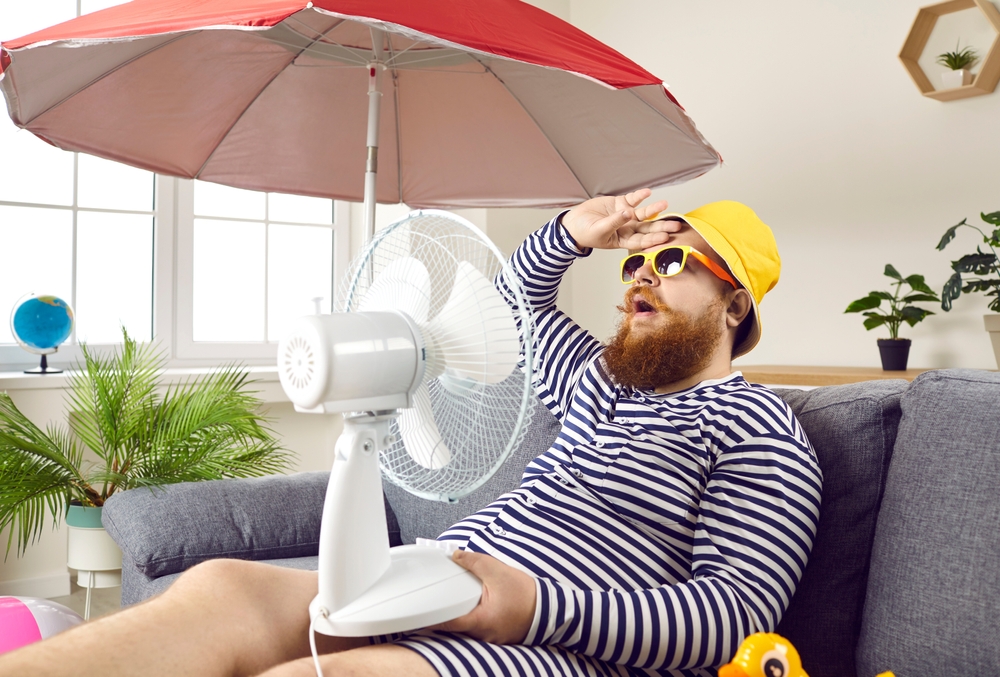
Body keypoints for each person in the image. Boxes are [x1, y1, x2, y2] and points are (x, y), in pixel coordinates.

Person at [0, 189, 822, 677]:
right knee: (222, 589)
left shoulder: (759, 426)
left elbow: (732, 615)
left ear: (735, 303)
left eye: (674, 262)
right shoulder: (595, 380)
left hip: (558, 646)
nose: (643, 273)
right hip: (428, 581)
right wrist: (577, 231)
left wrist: (530, 605)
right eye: (636, 262)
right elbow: (517, 297)